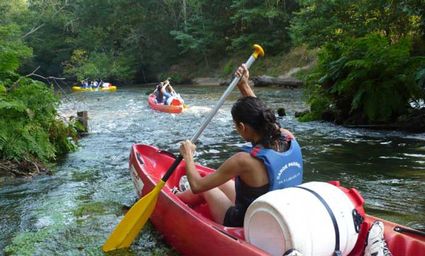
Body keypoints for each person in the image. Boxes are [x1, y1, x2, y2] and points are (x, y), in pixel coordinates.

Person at [177, 63, 303, 227]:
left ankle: (173, 199)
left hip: (246, 222)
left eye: (236, 126)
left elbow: (197, 186)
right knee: (219, 179)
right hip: (276, 213)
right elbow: (261, 114)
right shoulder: (287, 137)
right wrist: (243, 84)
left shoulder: (243, 161)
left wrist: (188, 155)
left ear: (242, 127)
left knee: (206, 186)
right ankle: (177, 196)